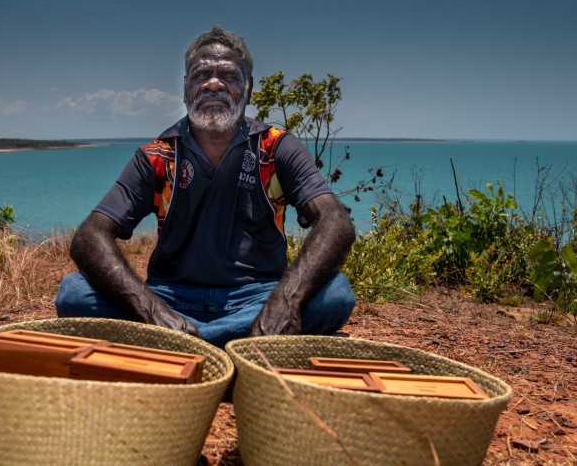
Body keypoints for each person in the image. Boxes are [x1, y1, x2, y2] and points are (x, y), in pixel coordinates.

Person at [56, 26, 356, 348]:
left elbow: (335, 220)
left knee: (335, 294)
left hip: (258, 298)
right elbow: (91, 234)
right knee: (74, 294)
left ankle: (184, 345)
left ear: (248, 88)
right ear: (186, 87)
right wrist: (153, 311)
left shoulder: (276, 147)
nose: (213, 84)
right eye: (201, 75)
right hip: (170, 299)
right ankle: (239, 346)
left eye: (228, 74)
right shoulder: (157, 155)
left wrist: (285, 300)